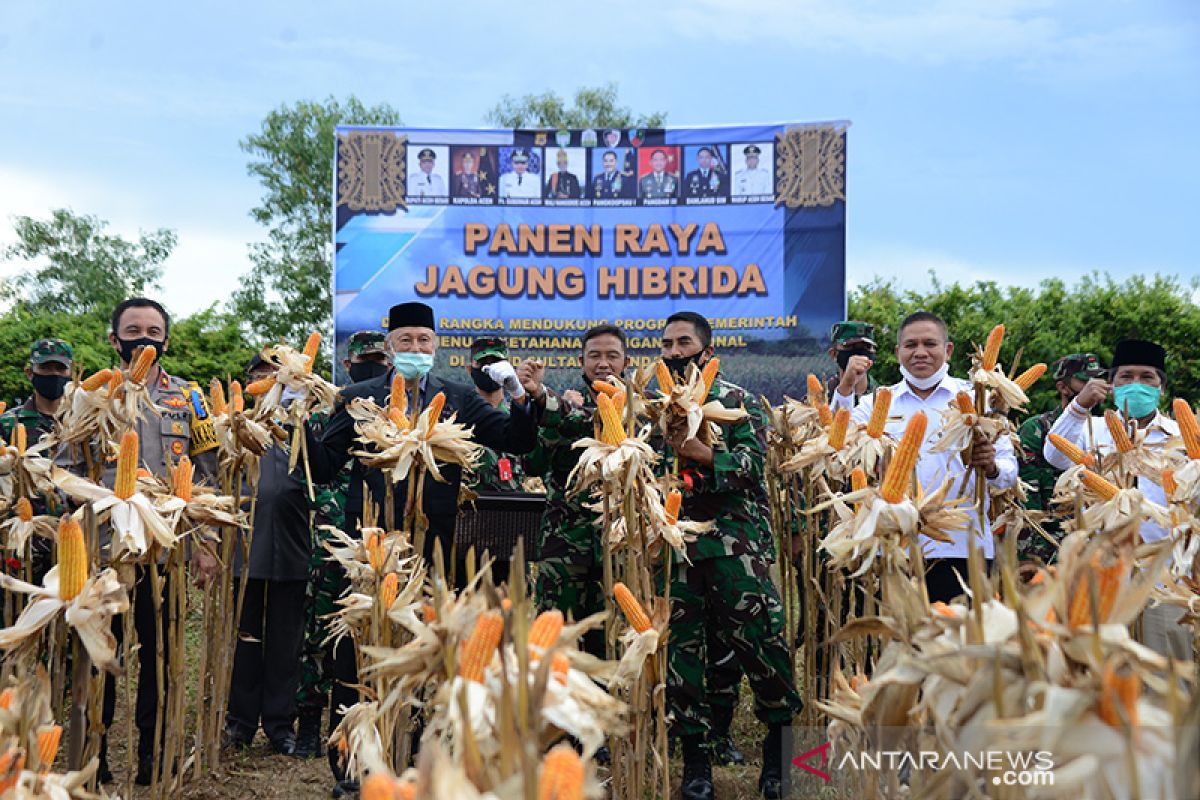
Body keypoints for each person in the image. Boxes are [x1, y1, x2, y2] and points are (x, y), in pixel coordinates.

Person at [304, 301, 540, 794]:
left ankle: (419, 762)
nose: (415, 349)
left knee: (428, 654)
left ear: (436, 347)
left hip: (437, 550)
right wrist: (303, 417)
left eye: (423, 342)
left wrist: (518, 395)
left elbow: (516, 441)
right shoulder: (357, 396)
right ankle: (353, 769)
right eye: (406, 341)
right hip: (372, 550)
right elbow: (324, 465)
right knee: (360, 654)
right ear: (390, 348)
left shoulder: (459, 399)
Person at [60, 298, 219, 785]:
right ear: (115, 340)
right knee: (101, 653)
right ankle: (95, 755)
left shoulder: (190, 397)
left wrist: (206, 544)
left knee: (161, 653)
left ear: (166, 339)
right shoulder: (91, 397)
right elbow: (66, 470)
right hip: (104, 550)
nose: (144, 338)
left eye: (154, 330)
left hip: (164, 548)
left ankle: (155, 753)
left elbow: (207, 476)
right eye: (133, 329)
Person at [657, 311, 802, 800]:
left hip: (735, 546)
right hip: (676, 546)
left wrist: (698, 452)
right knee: (683, 652)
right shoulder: (653, 408)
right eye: (667, 344)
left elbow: (750, 465)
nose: (675, 352)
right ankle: (696, 761)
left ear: (707, 350)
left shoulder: (736, 400)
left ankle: (780, 752)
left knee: (760, 642)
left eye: (684, 343)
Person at [833, 311, 1018, 604]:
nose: (920, 352)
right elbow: (838, 446)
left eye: (930, 344)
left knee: (961, 645)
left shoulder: (979, 398)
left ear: (948, 350)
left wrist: (992, 466)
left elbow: (1010, 472)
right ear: (898, 353)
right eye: (910, 345)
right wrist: (845, 389)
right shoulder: (875, 404)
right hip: (896, 548)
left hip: (963, 548)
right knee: (901, 645)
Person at [1043, 339, 1188, 659]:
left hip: (1164, 580)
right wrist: (1079, 406)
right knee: (1103, 675)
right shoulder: (1092, 429)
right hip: (1101, 576)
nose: (1136, 384)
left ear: (1161, 388)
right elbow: (1054, 455)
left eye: (1146, 377)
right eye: (1126, 377)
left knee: (1166, 676)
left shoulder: (1183, 437)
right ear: (1111, 384)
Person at [294, 331, 387, 759]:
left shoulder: (391, 419)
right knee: (319, 633)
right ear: (348, 367)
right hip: (331, 540)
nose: (374, 368)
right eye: (365, 362)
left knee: (367, 634)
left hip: (376, 542)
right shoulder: (321, 417)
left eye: (380, 363)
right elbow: (311, 469)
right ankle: (310, 722)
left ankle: (356, 721)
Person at [519, 324, 629, 660]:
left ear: (626, 361)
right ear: (581, 360)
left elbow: (586, 421)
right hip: (565, 542)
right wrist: (535, 405)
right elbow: (533, 464)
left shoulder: (642, 410)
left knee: (615, 639)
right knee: (555, 638)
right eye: (594, 355)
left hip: (622, 541)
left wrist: (547, 401)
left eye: (612, 355)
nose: (603, 363)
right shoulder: (558, 408)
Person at [225, 353, 312, 755]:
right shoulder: (229, 426)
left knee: (285, 642)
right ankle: (240, 722)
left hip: (291, 547)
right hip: (244, 550)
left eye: (275, 376)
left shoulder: (302, 425)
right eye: (260, 376)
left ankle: (280, 724)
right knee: (246, 639)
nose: (268, 383)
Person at [1016, 353, 1106, 569]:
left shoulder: (1105, 429)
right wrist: (1031, 556)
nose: (1094, 387)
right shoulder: (1036, 429)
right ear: (1063, 388)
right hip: (1051, 547)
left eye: (1098, 379)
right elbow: (1027, 494)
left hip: (1098, 546)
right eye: (1085, 381)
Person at [0, 339, 74, 582]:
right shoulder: (9, 423)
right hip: (22, 541)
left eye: (60, 369)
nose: (54, 375)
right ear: (30, 372)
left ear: (71, 372)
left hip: (71, 538)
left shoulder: (83, 424)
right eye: (46, 368)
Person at [825, 321, 878, 399]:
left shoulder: (883, 396)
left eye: (866, 347)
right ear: (833, 354)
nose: (859, 354)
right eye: (851, 346)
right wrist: (846, 385)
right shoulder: (819, 397)